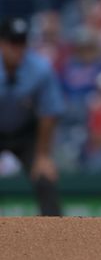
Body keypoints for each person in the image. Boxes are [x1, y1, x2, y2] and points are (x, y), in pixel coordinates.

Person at [0, 17, 64, 216]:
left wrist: (43, 155)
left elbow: (49, 113)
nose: (18, 49)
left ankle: (56, 233)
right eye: (12, 43)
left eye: (22, 43)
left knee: (44, 176)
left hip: (26, 132)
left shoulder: (40, 69)